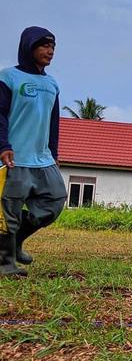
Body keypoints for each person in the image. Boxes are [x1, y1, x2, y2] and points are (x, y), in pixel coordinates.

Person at [0, 27, 67, 277]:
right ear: (29, 47)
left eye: (53, 47)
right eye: (44, 45)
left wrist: (53, 151)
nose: (50, 51)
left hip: (42, 158)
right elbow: (0, 116)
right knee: (10, 210)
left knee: (55, 200)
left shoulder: (51, 84)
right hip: (14, 157)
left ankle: (16, 242)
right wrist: (3, 146)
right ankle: (5, 263)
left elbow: (53, 121)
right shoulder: (8, 78)